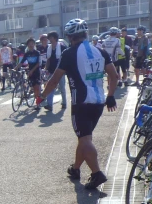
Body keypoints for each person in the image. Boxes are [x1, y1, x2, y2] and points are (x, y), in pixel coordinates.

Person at [37, 18, 118, 190]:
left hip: (81, 103)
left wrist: (41, 97)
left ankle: (97, 173)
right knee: (84, 138)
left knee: (85, 139)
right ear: (85, 34)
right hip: (98, 102)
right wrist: (110, 95)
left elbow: (54, 80)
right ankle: (75, 169)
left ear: (69, 36)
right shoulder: (100, 51)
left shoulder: (69, 53)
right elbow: (114, 75)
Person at [44, 31, 67, 111]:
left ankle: (64, 103)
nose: (50, 39)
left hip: (60, 71)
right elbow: (48, 60)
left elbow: (65, 59)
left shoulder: (62, 46)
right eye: (49, 38)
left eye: (51, 37)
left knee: (62, 88)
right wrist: (45, 69)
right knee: (50, 87)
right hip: (51, 71)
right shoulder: (49, 48)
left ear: (55, 38)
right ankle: (49, 105)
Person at [22, 38, 43, 108]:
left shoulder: (37, 53)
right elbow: (21, 62)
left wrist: (32, 70)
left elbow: (38, 63)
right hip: (30, 72)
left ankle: (38, 103)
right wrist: (14, 69)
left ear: (34, 44)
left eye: (32, 43)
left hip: (37, 71)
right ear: (27, 45)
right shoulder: (27, 54)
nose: (31, 45)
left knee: (37, 87)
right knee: (34, 88)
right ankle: (37, 102)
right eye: (29, 44)